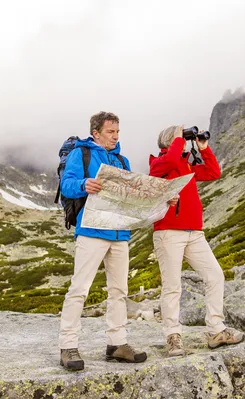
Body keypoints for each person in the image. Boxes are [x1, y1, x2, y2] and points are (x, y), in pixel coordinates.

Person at [58, 111, 147, 371]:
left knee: (119, 291)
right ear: (96, 132)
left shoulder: (121, 160)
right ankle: (68, 346)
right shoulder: (81, 154)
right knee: (80, 289)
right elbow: (67, 185)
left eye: (118, 131)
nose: (115, 136)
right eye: (111, 132)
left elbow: (130, 194)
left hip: (120, 231)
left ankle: (117, 344)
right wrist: (85, 183)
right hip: (92, 230)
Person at [149, 125, 245, 357]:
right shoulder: (158, 163)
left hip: (194, 232)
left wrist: (204, 148)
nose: (183, 142)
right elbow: (171, 160)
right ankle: (173, 336)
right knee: (172, 286)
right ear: (169, 143)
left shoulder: (186, 164)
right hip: (169, 232)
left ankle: (216, 330)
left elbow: (213, 172)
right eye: (179, 140)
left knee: (214, 275)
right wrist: (178, 139)